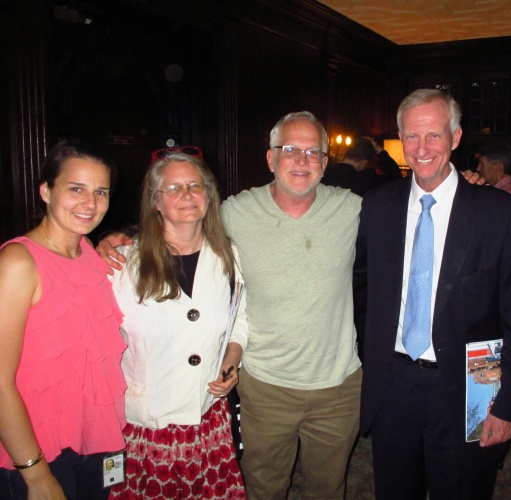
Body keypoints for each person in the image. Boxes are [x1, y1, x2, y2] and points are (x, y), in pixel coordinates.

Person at [97, 112, 363, 499]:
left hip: (338, 386)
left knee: (328, 488)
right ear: (271, 159)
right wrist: (115, 236)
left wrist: (471, 184)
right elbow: (178, 219)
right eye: (290, 149)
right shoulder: (235, 213)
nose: (301, 161)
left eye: (312, 152)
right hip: (265, 386)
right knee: (263, 487)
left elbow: (408, 209)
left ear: (325, 162)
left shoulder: (352, 208)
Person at [354, 88, 511, 499]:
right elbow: (362, 289)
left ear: (456, 137)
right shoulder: (378, 206)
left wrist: (509, 404)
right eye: (411, 137)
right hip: (393, 387)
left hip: (469, 389)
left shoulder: (499, 213)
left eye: (434, 136)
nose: (422, 149)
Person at [106, 152, 246, 498]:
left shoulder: (228, 254)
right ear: (155, 201)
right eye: (172, 188)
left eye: (195, 185)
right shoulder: (121, 263)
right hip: (146, 429)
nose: (186, 194)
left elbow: (239, 316)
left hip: (208, 422)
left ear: (208, 195)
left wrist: (232, 357)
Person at [0, 142, 126, 499]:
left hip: (93, 444)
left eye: (100, 192)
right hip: (36, 454)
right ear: (45, 190)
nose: (90, 203)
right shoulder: (18, 263)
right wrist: (36, 475)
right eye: (76, 189)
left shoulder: (90, 252)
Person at [322, 136, 402, 196]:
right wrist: (380, 151)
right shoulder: (366, 180)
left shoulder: (323, 175)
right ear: (364, 162)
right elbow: (397, 180)